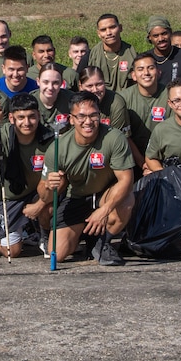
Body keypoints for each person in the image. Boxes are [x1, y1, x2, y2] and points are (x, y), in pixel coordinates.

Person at [38, 91, 135, 266]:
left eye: (93, 115)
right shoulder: (57, 147)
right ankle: (86, 236)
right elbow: (44, 197)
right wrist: (49, 186)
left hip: (104, 194)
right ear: (71, 119)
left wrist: (104, 210)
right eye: (81, 116)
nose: (88, 121)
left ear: (99, 115)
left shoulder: (114, 138)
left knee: (127, 199)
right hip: (75, 197)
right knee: (58, 254)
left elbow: (126, 180)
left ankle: (101, 242)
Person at [0, 95, 55, 258]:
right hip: (11, 196)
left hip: (38, 193)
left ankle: (44, 235)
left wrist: (39, 205)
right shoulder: (2, 134)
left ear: (38, 116)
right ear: (11, 118)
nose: (27, 122)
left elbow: (58, 179)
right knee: (13, 252)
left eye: (32, 116)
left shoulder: (48, 138)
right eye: (21, 117)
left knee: (49, 203)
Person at [118, 52, 171, 168]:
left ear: (158, 72)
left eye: (151, 68)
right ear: (133, 75)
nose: (146, 73)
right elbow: (123, 136)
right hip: (132, 158)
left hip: (164, 157)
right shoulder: (122, 99)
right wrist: (142, 163)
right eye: (140, 69)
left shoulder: (171, 95)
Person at [145, 16, 181, 110]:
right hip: (153, 111)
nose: (161, 39)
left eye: (164, 34)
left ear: (170, 33)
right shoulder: (145, 59)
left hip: (180, 110)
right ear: (149, 38)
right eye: (156, 36)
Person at [76, 66, 130, 135]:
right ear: (80, 86)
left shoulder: (116, 103)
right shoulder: (76, 103)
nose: (95, 90)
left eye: (99, 84)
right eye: (89, 86)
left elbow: (117, 136)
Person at [92, 14, 137, 91]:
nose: (108, 33)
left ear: (120, 28)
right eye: (103, 30)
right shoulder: (92, 55)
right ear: (98, 33)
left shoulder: (131, 54)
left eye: (112, 27)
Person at [32, 65, 73, 132]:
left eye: (55, 83)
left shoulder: (71, 99)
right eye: (45, 82)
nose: (50, 87)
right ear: (38, 81)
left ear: (61, 83)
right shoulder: (30, 101)